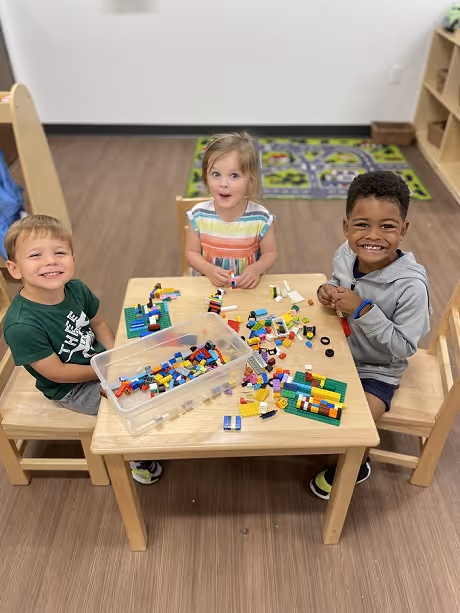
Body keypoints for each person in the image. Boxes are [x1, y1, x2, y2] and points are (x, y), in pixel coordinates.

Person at [3, 215, 162, 485]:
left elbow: (98, 322)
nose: (50, 261)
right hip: (70, 388)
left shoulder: (76, 289)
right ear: (14, 269)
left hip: (98, 362)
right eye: (35, 255)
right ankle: (136, 457)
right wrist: (106, 371)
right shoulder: (21, 325)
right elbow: (57, 373)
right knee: (128, 405)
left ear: (73, 260)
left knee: (154, 371)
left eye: (60, 252)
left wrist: (115, 355)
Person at [310, 171, 430, 499]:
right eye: (362, 224)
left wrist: (364, 310)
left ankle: (356, 464)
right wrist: (327, 291)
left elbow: (404, 347)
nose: (373, 236)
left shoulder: (411, 286)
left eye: (387, 226)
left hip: (378, 372)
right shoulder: (345, 254)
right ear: (346, 226)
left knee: (354, 429)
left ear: (403, 230)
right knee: (293, 396)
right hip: (339, 349)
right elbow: (338, 282)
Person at [185, 132, 277, 289]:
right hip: (208, 288)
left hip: (247, 290)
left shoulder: (261, 218)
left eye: (234, 175)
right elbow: (191, 252)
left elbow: (270, 253)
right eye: (216, 174)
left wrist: (256, 268)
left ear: (250, 181)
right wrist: (209, 270)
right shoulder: (198, 215)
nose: (223, 183)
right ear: (205, 177)